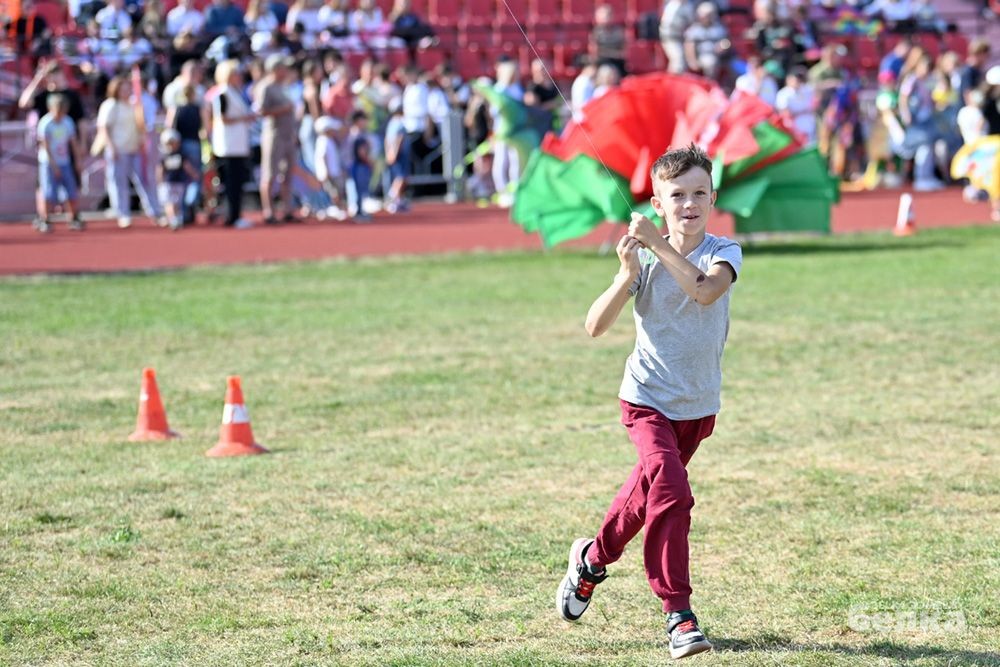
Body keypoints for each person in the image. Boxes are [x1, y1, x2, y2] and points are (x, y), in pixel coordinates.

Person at [557, 143, 741, 661]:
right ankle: (678, 615)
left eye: (699, 193)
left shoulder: (725, 252)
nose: (689, 203)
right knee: (673, 493)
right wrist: (624, 275)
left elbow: (704, 291)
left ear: (713, 198)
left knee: (646, 495)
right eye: (676, 195)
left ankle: (591, 561)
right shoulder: (645, 260)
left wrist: (658, 245)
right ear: (657, 203)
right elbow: (594, 326)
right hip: (646, 401)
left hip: (697, 408)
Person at [94, 75, 164, 228]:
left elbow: (142, 125)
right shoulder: (110, 105)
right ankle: (123, 214)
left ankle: (155, 212)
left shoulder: (135, 104)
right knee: (119, 183)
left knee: (145, 180)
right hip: (118, 150)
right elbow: (104, 128)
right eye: (123, 89)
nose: (126, 91)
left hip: (135, 149)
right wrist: (111, 147)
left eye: (128, 88)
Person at [210, 59, 256, 228]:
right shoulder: (222, 93)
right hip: (228, 145)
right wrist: (244, 118)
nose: (239, 76)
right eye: (236, 73)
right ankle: (232, 216)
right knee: (231, 182)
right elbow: (222, 118)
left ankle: (236, 214)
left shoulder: (235, 92)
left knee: (238, 181)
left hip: (238, 144)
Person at [254, 54, 299, 224]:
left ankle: (287, 209)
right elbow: (261, 111)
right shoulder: (265, 87)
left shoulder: (284, 86)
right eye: (283, 68)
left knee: (287, 174)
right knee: (270, 173)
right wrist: (283, 109)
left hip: (288, 135)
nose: (286, 71)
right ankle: (269, 211)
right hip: (274, 135)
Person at [35, 95, 84, 233]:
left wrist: (78, 160)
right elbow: (45, 146)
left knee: (71, 190)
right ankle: (45, 219)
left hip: (65, 161)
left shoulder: (67, 122)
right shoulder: (45, 123)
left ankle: (73, 217)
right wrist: (54, 165)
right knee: (48, 192)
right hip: (48, 163)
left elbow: (73, 142)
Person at [156, 129, 199, 230]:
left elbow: (187, 166)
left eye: (173, 143)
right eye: (169, 143)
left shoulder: (181, 155)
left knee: (177, 202)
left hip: (179, 183)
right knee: (169, 202)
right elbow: (160, 169)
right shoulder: (164, 157)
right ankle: (173, 219)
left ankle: (176, 217)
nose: (171, 146)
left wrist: (194, 174)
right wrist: (160, 181)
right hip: (168, 183)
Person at [313, 115, 349, 220]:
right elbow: (322, 157)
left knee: (336, 191)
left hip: (334, 172)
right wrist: (325, 171)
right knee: (333, 192)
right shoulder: (323, 141)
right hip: (329, 173)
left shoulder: (330, 141)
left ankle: (335, 208)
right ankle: (332, 208)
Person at [346, 110, 374, 222]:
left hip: (356, 165)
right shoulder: (356, 135)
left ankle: (359, 210)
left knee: (359, 189)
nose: (366, 122)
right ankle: (358, 212)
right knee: (359, 190)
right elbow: (361, 152)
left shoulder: (355, 134)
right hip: (358, 165)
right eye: (364, 120)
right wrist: (369, 161)